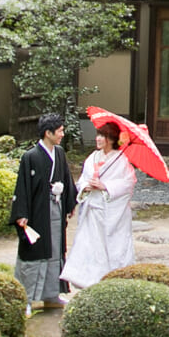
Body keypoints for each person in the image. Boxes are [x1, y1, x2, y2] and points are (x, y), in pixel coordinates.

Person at [58, 114, 139, 292]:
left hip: (112, 213)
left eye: (102, 136)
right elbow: (81, 182)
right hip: (93, 210)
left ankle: (114, 279)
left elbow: (128, 184)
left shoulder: (121, 160)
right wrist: (87, 187)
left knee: (113, 247)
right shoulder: (92, 158)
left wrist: (105, 186)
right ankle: (88, 280)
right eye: (98, 135)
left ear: (111, 139)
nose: (98, 139)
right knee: (90, 245)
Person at [8, 113, 78, 310]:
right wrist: (21, 214)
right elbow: (22, 187)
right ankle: (27, 298)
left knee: (55, 249)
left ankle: (51, 294)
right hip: (37, 212)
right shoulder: (30, 157)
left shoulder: (60, 153)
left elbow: (66, 178)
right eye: (60, 131)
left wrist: (69, 203)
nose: (62, 134)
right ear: (48, 133)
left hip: (55, 208)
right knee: (35, 252)